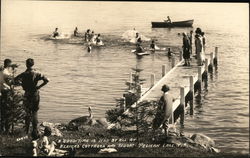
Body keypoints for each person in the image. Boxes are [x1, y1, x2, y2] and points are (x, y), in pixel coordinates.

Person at [14, 58, 49, 134]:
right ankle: (35, 130)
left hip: (27, 94)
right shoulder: (37, 73)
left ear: (26, 64)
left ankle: (26, 130)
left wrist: (21, 84)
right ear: (33, 64)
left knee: (27, 112)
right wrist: (39, 87)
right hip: (35, 94)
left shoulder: (24, 74)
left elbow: (14, 80)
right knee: (35, 112)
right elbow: (46, 80)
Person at [0, 59, 15, 133]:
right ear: (9, 65)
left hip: (1, 92)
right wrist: (13, 72)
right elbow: (11, 82)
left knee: (2, 111)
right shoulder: (6, 73)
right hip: (6, 93)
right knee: (7, 111)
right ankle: (7, 129)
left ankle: (2, 128)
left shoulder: (1, 71)